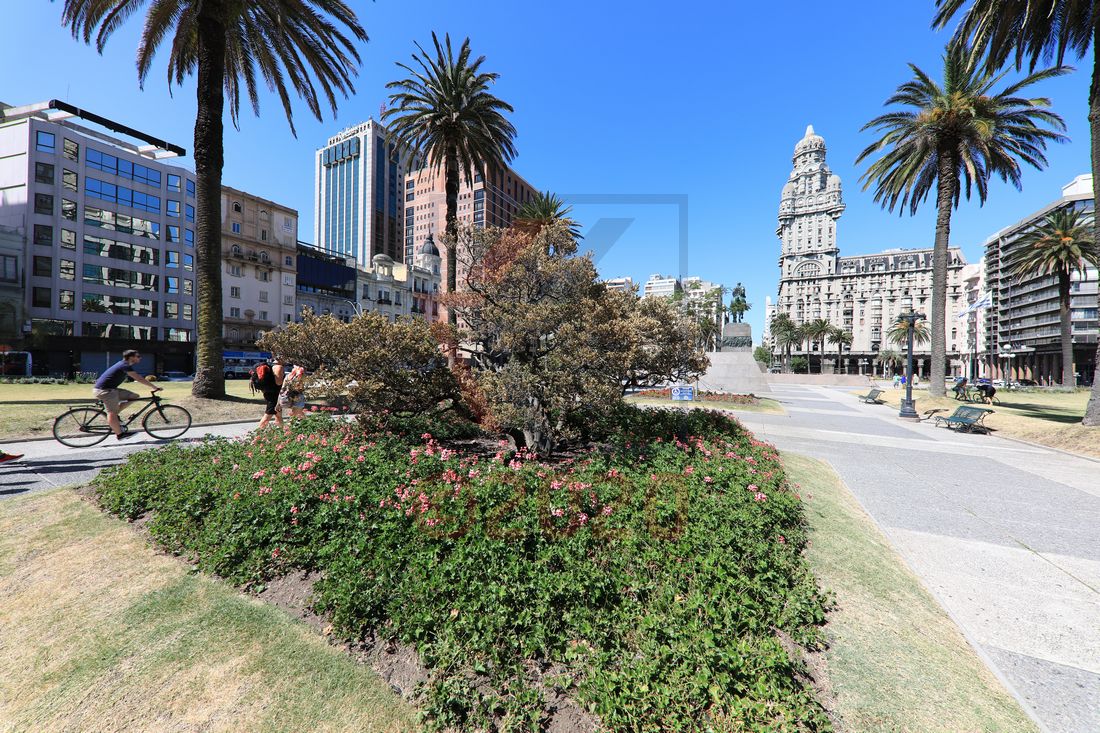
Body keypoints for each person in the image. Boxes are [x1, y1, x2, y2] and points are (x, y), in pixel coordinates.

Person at [93, 349, 160, 440]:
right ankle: (120, 435)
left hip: (111, 389)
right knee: (111, 412)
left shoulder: (124, 364)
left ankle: (115, 418)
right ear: (131, 357)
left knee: (134, 396)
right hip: (105, 391)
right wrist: (154, 387)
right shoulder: (124, 365)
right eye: (138, 356)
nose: (140, 358)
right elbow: (139, 378)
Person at [254, 359, 286, 430]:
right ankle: (259, 432)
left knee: (278, 414)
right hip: (275, 395)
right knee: (268, 414)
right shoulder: (279, 367)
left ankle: (282, 430)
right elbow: (279, 383)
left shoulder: (271, 366)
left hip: (268, 392)